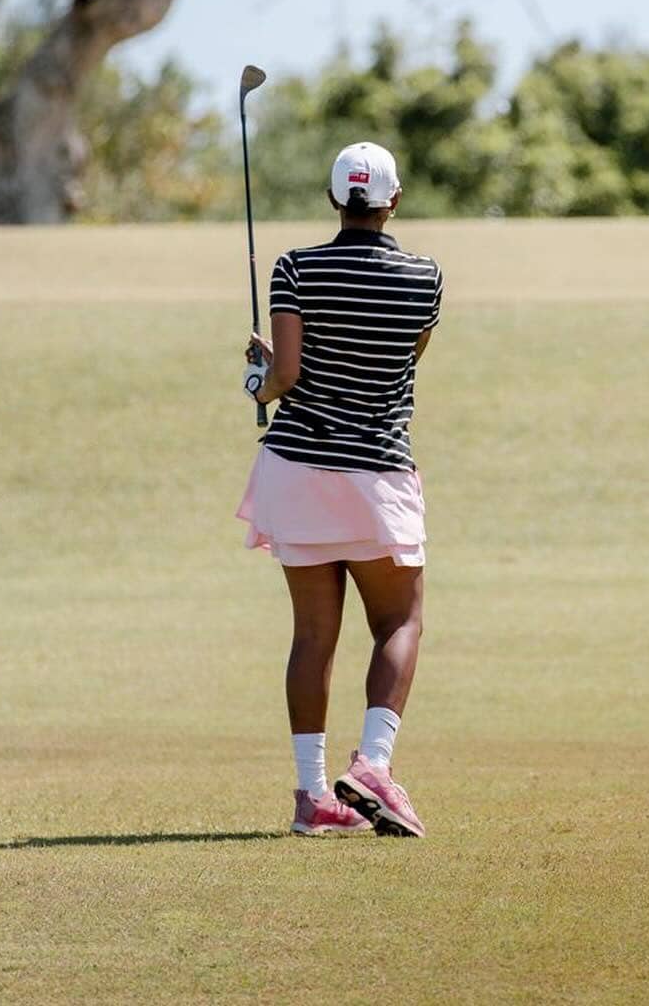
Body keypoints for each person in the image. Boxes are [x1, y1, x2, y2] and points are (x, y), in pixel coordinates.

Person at [235, 141, 443, 837]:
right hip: (375, 475)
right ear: (394, 200)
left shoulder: (295, 267)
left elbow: (288, 377)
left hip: (295, 472)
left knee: (313, 637)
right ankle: (375, 766)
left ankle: (312, 795)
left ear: (333, 200)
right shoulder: (426, 278)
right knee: (399, 622)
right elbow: (399, 359)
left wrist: (259, 380)